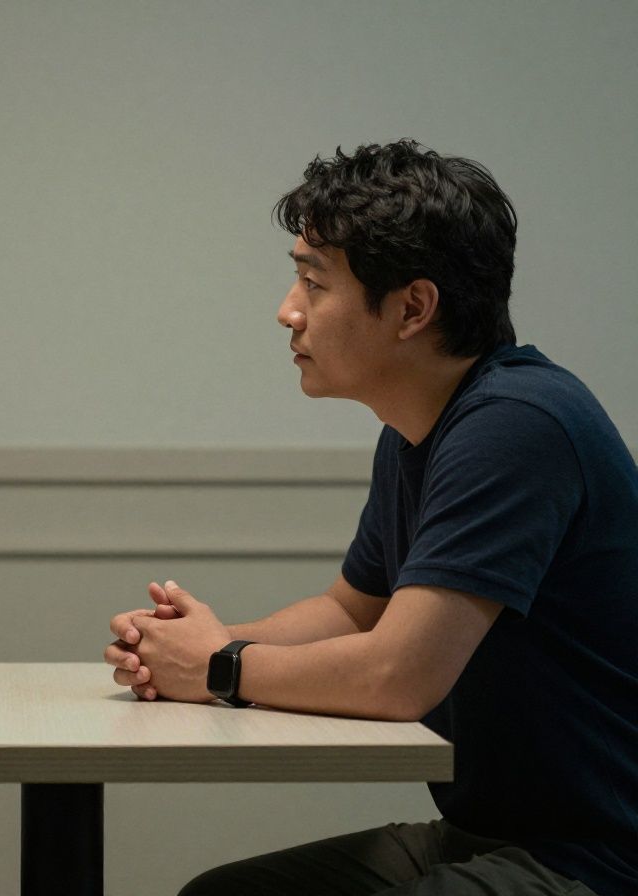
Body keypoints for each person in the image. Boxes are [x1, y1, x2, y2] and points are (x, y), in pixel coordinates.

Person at [105, 141, 637, 896]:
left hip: (593, 860)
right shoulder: (419, 428)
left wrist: (218, 668)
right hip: (485, 836)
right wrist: (194, 646)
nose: (287, 310)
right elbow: (354, 611)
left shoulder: (517, 425)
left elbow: (397, 676)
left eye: (313, 282)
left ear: (413, 308)